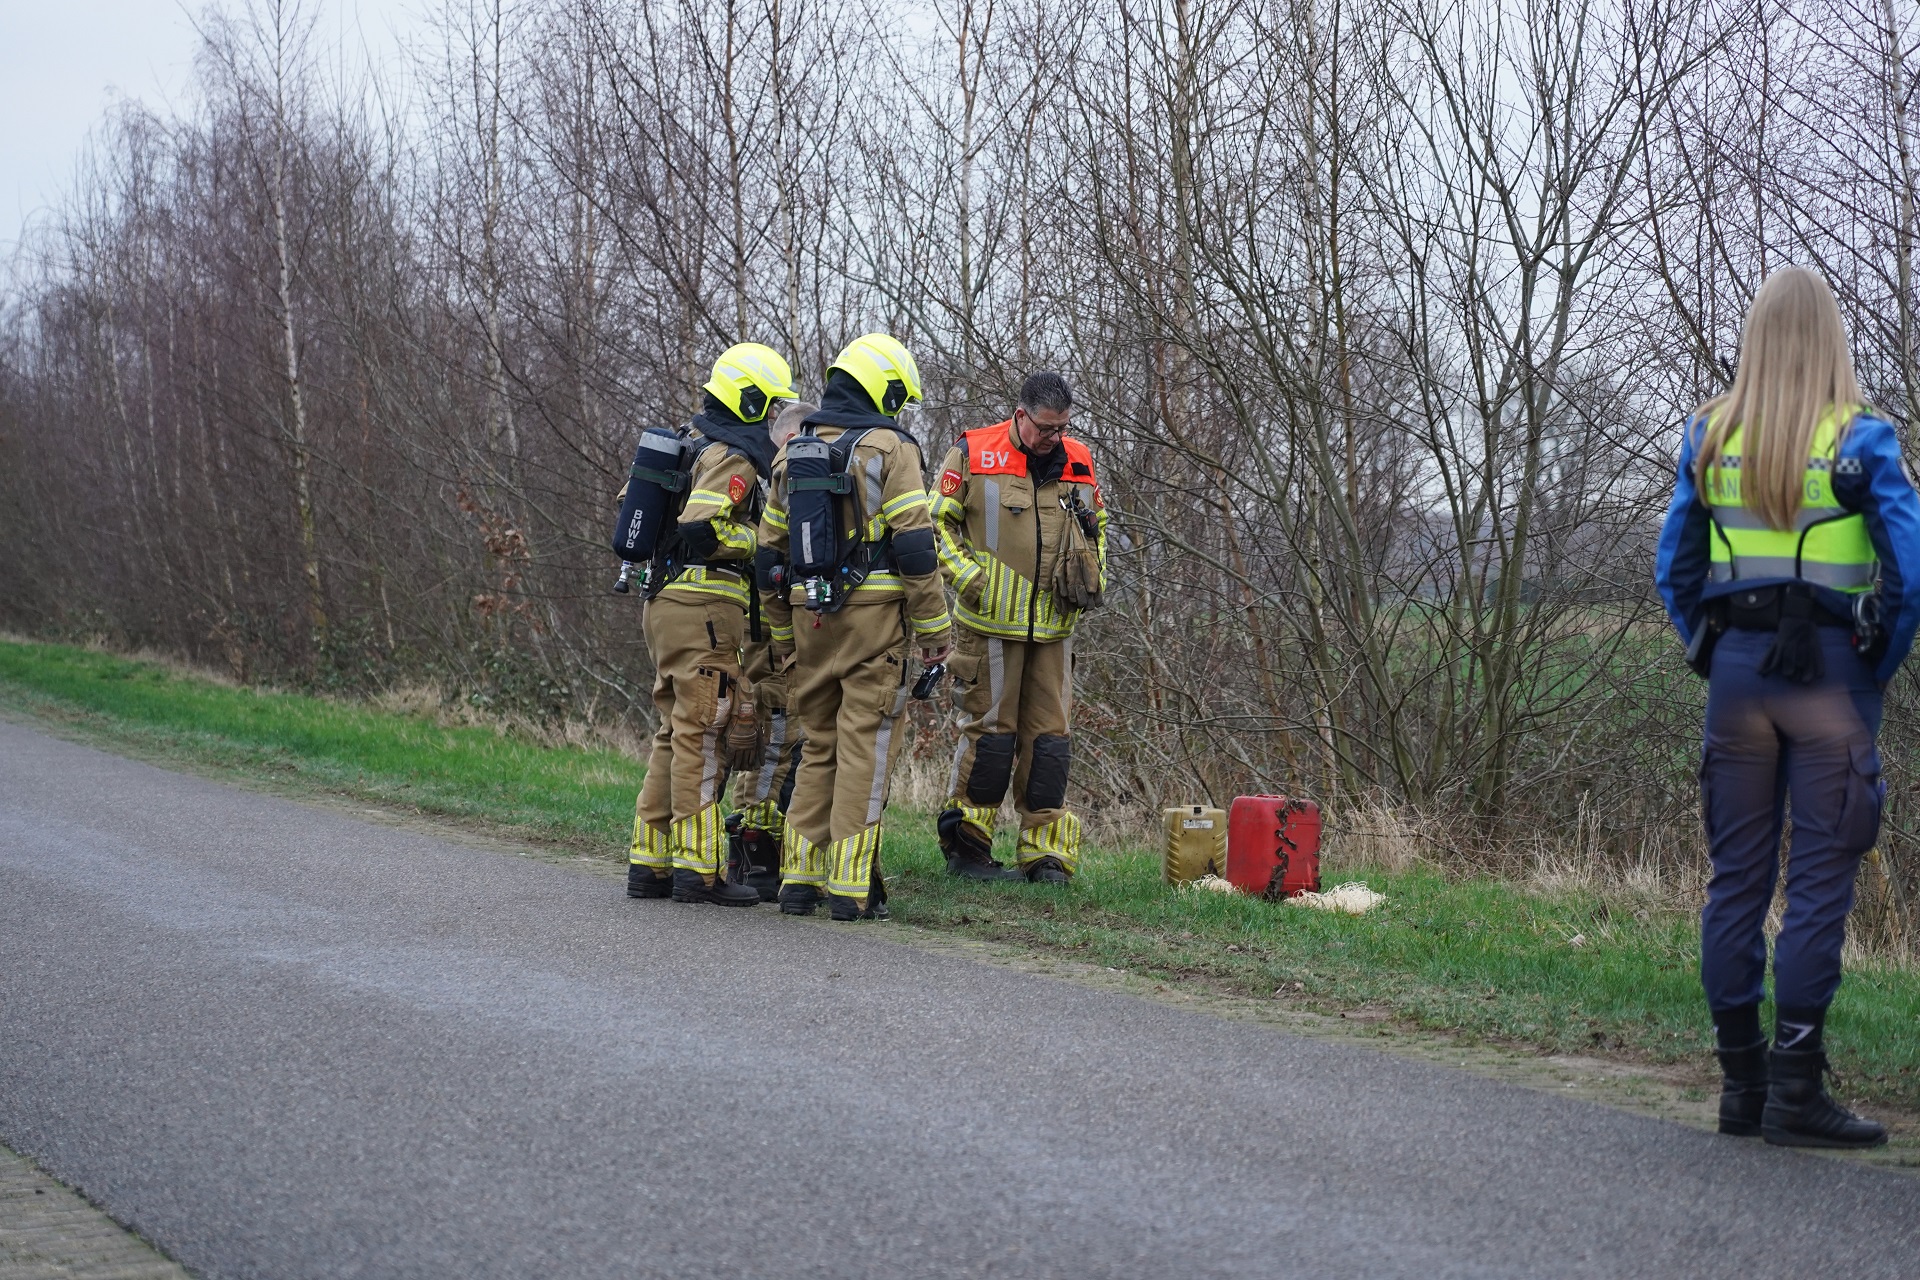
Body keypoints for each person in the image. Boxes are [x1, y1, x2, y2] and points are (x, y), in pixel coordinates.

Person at [1656, 266, 1920, 1148]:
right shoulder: (1864, 442)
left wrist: (1713, 652)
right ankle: (1795, 1094)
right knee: (1816, 889)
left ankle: (1743, 1085)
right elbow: (1909, 574)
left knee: (1735, 883)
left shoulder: (1710, 434)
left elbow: (1674, 571)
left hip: (1737, 673)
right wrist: (1874, 662)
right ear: (1834, 340)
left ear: (1757, 340)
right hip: (1831, 677)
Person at [758, 334, 954, 920]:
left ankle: (798, 880)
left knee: (817, 742)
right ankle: (850, 889)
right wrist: (935, 630)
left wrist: (785, 634)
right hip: (872, 617)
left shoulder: (791, 451)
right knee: (864, 744)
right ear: (883, 387)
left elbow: (767, 557)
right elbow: (916, 545)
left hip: (807, 614)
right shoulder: (891, 448)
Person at [627, 343, 798, 907]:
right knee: (702, 734)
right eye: (769, 406)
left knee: (672, 734)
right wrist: (761, 543)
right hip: (703, 610)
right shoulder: (732, 455)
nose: (772, 419)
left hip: (663, 603)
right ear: (749, 398)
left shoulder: (686, 441)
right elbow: (703, 525)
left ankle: (649, 864)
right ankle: (698, 872)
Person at [931, 371, 1107, 883]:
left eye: (1063, 428)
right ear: (1021, 414)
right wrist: (970, 580)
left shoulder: (1078, 461)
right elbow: (934, 523)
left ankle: (1046, 854)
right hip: (987, 627)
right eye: (1047, 428)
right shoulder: (972, 451)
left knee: (1050, 742)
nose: (1055, 437)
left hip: (1054, 629)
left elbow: (1099, 530)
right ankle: (967, 845)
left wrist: (1095, 578)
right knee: (990, 738)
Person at [723, 398, 816, 900]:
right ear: (786, 437)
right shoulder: (766, 479)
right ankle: (756, 846)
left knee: (775, 728)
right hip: (768, 629)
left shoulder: (765, 476)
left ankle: (758, 842)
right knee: (778, 727)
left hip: (768, 624)